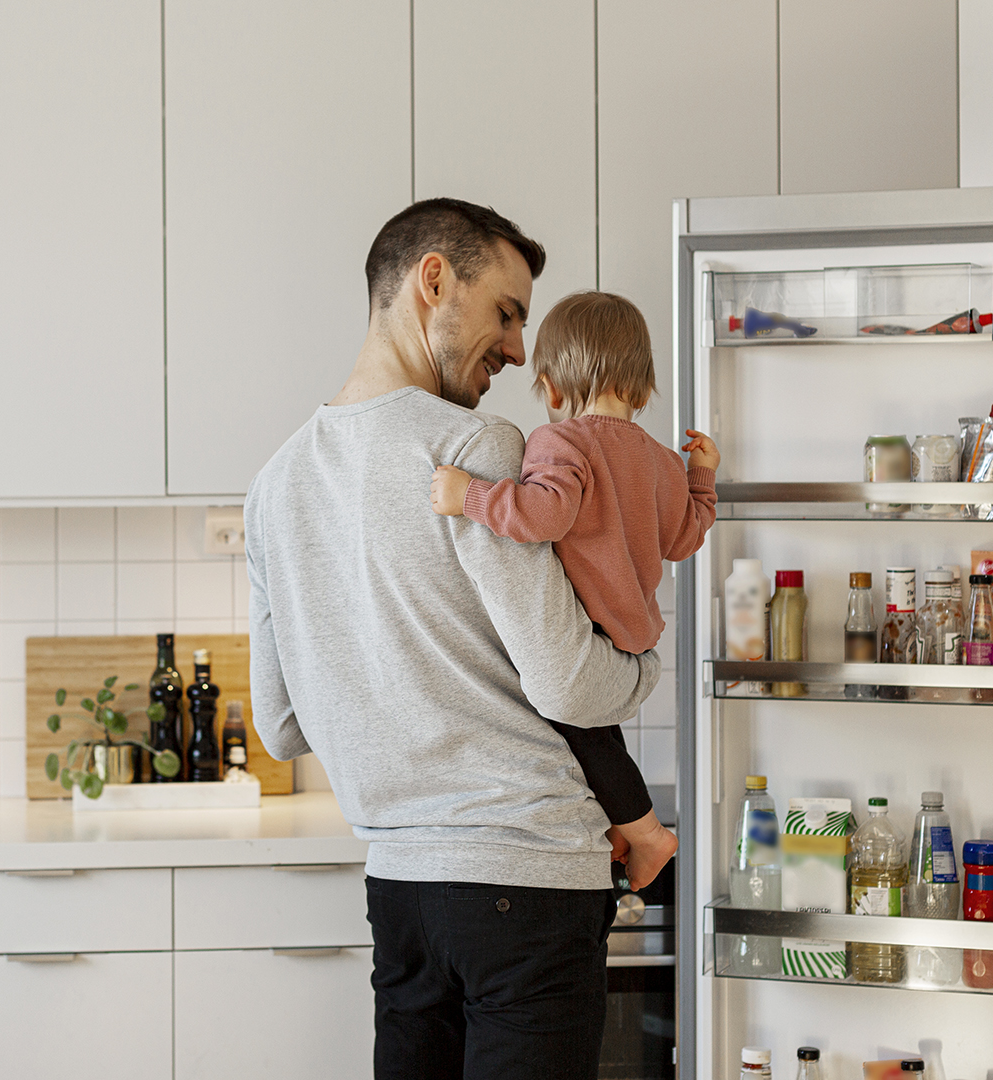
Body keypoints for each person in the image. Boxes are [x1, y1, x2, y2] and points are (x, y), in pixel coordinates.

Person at [245, 198, 660, 1080]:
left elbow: (278, 727)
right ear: (434, 280)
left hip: (400, 891)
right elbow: (569, 686)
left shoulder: (274, 486)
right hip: (530, 886)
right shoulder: (475, 445)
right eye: (507, 313)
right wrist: (644, 662)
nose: (517, 349)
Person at [428, 290, 719, 893]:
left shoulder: (562, 443)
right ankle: (627, 824)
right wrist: (702, 476)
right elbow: (687, 536)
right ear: (642, 385)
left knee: (555, 710)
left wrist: (469, 497)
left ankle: (647, 832)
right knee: (586, 730)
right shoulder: (664, 462)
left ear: (554, 387)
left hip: (588, 644)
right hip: (633, 651)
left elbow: (543, 517)